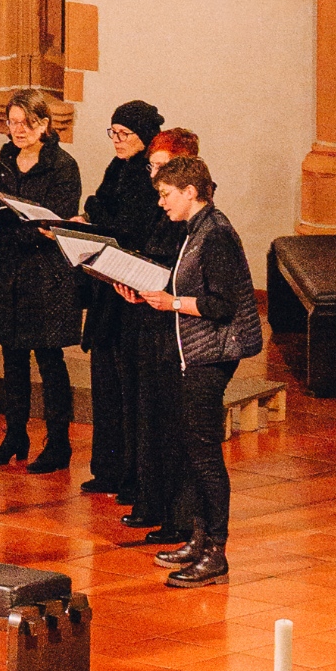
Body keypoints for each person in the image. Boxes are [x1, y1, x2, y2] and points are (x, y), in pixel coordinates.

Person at [121, 154, 262, 585]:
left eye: (165, 194)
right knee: (192, 449)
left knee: (204, 454)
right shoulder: (197, 229)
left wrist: (171, 303)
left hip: (211, 355)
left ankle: (215, 551)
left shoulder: (215, 234)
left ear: (190, 192)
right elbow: (189, 283)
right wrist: (153, 292)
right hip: (195, 353)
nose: (161, 203)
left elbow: (223, 305)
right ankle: (200, 540)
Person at [0, 87, 83, 473]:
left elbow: (52, 225)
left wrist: (6, 230)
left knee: (49, 359)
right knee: (12, 357)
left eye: (26, 123)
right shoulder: (6, 158)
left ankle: (58, 443)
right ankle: (15, 435)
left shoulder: (62, 166)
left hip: (47, 275)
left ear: (44, 124)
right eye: (12, 122)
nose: (18, 130)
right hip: (10, 270)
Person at [81, 99, 163, 499]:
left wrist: (98, 217)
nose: (116, 140)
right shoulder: (117, 168)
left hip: (129, 289)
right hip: (106, 285)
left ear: (144, 137)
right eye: (112, 132)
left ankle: (131, 474)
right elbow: (96, 206)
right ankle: (107, 469)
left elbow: (127, 226)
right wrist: (98, 217)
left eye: (124, 134)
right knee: (105, 384)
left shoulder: (148, 175)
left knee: (127, 388)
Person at [125, 124, 197, 543]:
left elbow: (194, 279)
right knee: (149, 417)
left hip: (180, 333)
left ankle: (179, 517)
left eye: (162, 168)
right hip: (152, 321)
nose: (155, 179)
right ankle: (151, 502)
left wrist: (160, 290)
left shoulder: (201, 222)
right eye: (151, 167)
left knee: (175, 427)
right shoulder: (163, 208)